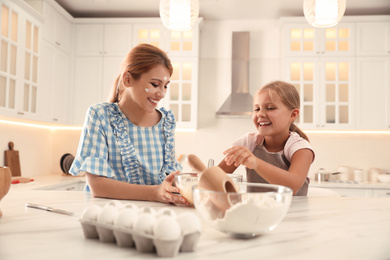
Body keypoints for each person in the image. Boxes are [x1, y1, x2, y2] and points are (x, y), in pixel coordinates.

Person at [69, 43, 189, 205]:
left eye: (165, 86)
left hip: (154, 216)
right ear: (128, 79)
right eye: (155, 84)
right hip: (107, 215)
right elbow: (97, 186)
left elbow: (168, 182)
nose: (161, 94)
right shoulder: (100, 115)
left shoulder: (166, 122)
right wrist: (155, 192)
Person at [219, 81, 315, 196]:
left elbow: (292, 186)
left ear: (293, 115)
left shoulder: (300, 148)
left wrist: (256, 163)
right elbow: (216, 177)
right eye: (257, 109)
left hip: (293, 212)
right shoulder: (249, 142)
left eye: (270, 108)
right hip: (257, 212)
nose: (260, 114)